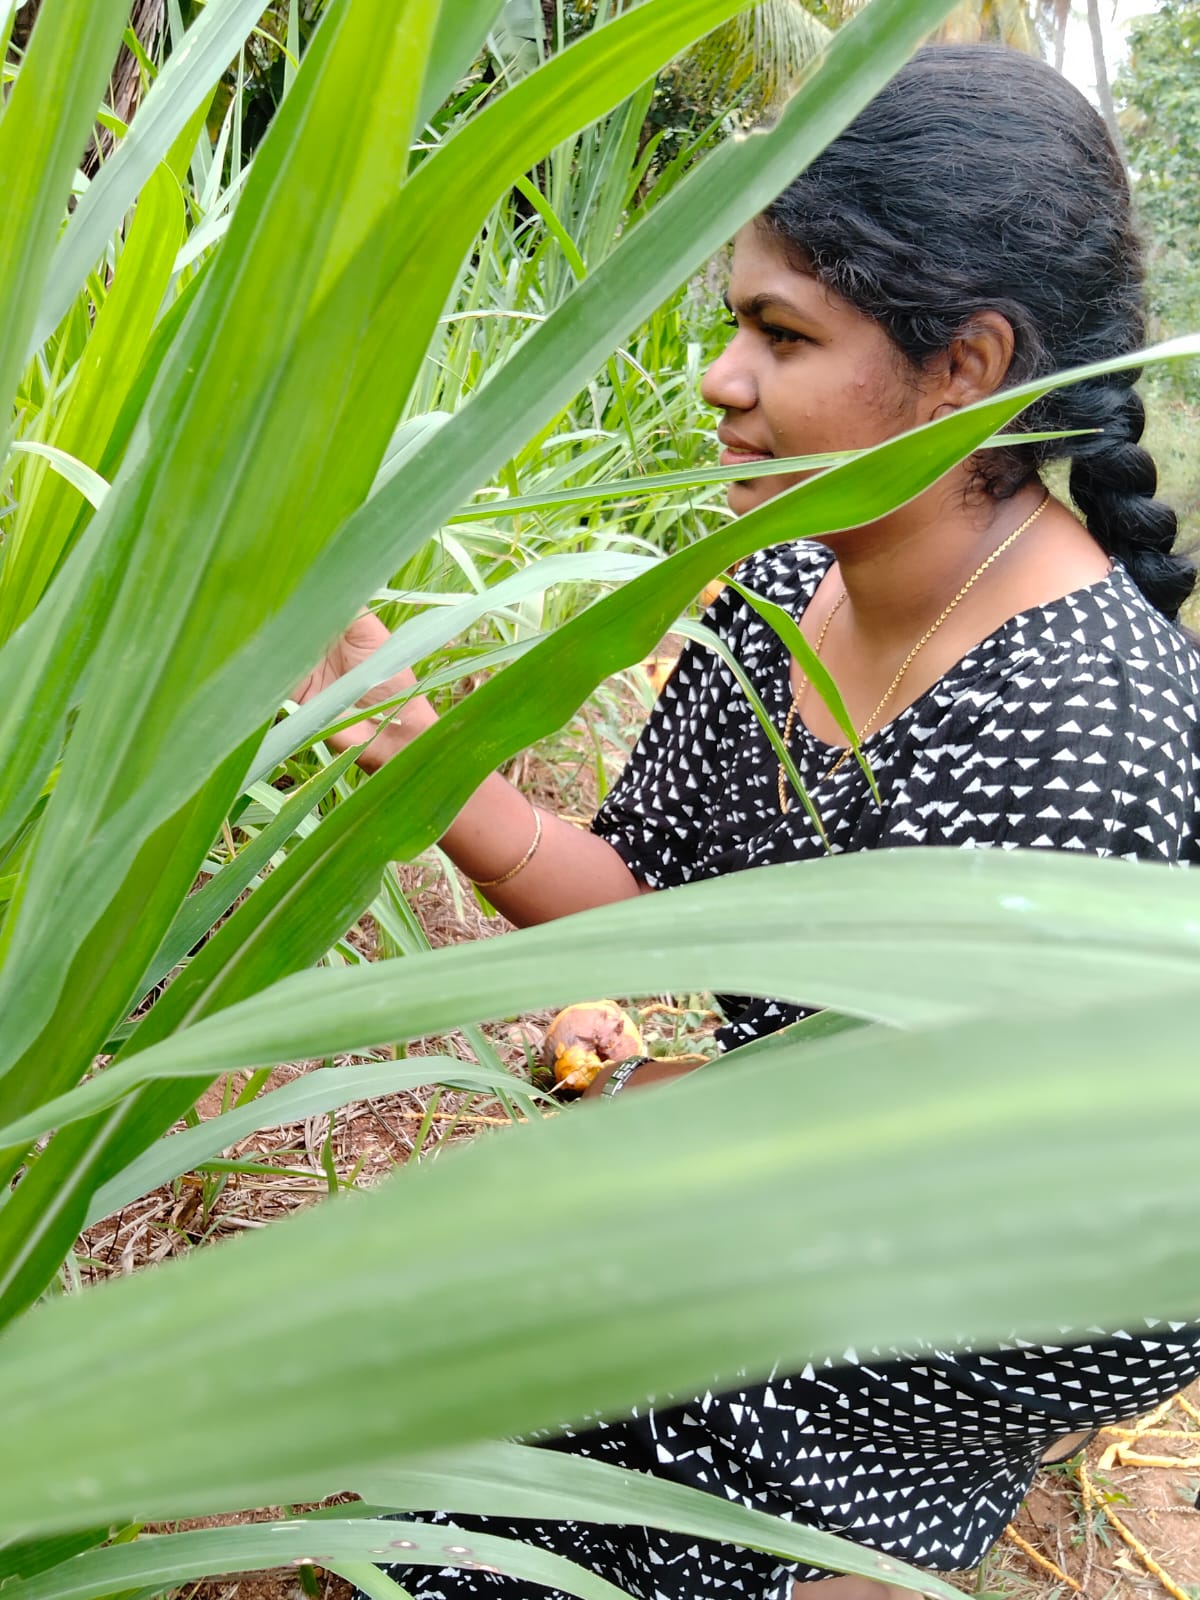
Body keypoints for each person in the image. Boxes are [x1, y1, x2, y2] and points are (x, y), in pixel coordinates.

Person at [300, 44, 1200, 1600]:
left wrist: (643, 1106)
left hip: (970, 1302)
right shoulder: (794, 585)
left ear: (967, 365)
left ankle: (863, 1541)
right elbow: (641, 895)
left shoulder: (1080, 729)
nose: (722, 381)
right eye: (734, 326)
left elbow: (929, 1198)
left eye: (781, 336)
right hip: (784, 1189)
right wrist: (410, 746)